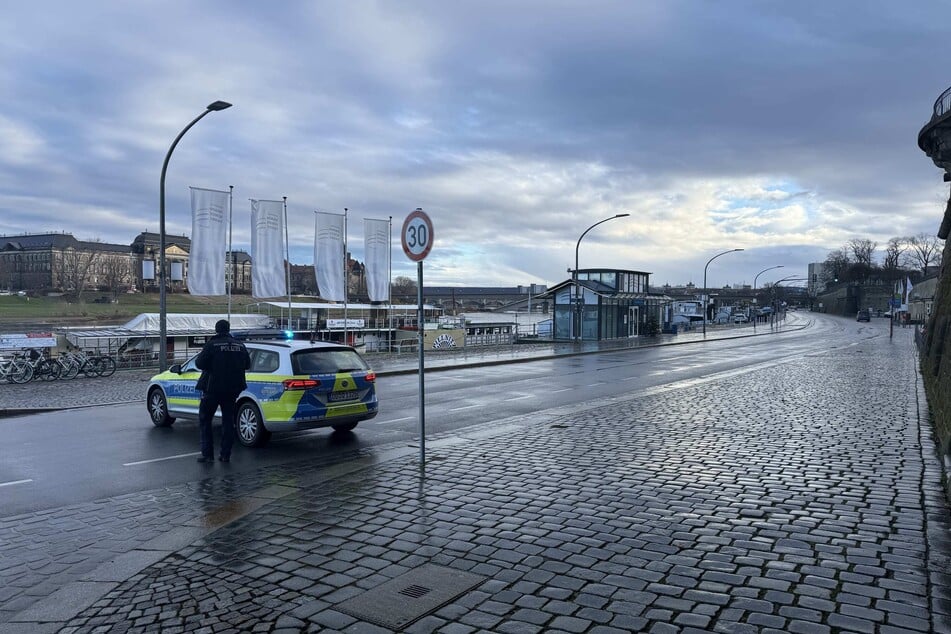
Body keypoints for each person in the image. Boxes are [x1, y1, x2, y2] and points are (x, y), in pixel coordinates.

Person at [194, 319, 250, 463]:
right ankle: (225, 454)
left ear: (216, 329)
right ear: (228, 329)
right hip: (232, 390)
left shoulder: (212, 344)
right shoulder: (240, 345)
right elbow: (248, 364)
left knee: (205, 420)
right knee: (228, 421)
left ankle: (207, 454)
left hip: (212, 388)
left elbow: (199, 363)